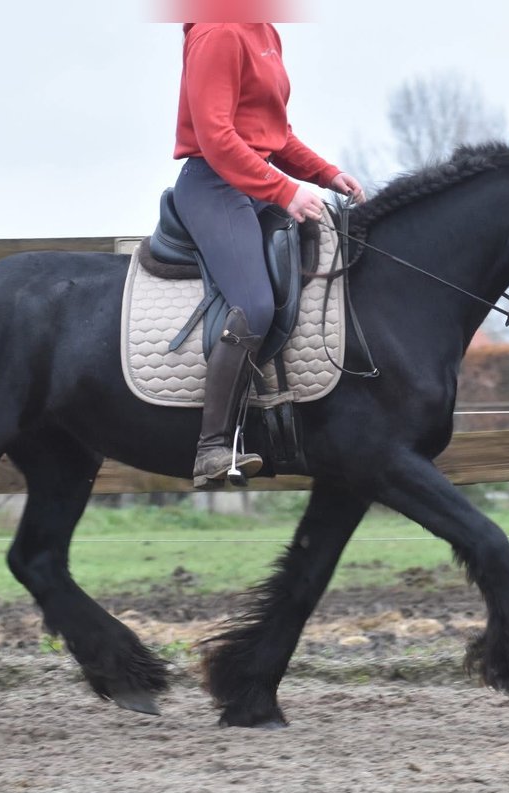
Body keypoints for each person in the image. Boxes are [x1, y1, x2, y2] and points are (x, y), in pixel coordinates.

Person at [173, 21, 366, 489]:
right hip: (215, 185)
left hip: (255, 184)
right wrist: (285, 191)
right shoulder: (218, 32)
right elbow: (217, 138)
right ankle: (211, 448)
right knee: (255, 304)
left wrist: (325, 174)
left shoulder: (264, 33)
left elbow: (274, 135)